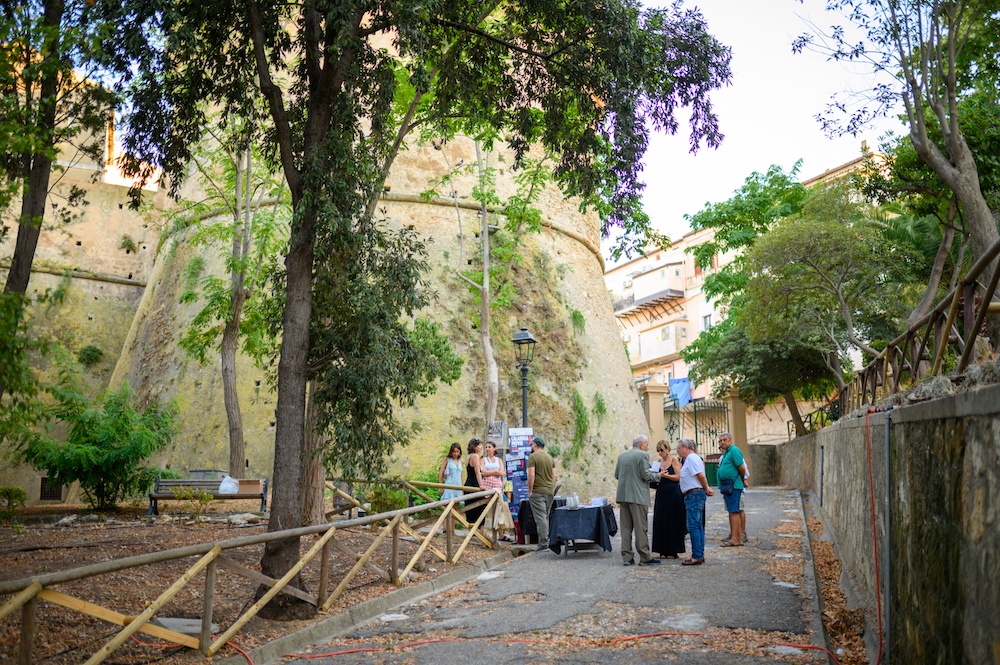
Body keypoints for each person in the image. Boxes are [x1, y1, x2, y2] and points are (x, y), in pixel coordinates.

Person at [614, 434, 662, 566]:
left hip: (623, 496)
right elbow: (646, 475)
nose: (648, 447)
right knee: (641, 528)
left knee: (625, 528)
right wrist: (659, 475)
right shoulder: (642, 455)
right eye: (647, 445)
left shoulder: (622, 456)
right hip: (638, 496)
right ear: (641, 445)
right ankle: (644, 557)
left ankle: (627, 557)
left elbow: (617, 475)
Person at [677, 438, 713, 566]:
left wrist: (706, 487)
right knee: (697, 525)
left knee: (693, 525)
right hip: (694, 494)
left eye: (679, 448)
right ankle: (699, 554)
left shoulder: (691, 458)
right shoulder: (692, 459)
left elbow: (700, 476)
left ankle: (697, 555)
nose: (677, 450)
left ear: (686, 448)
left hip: (693, 494)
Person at [651, 440, 686, 559]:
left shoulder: (674, 460)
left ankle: (673, 549)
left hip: (672, 492)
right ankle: (662, 549)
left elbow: (678, 477)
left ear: (667, 449)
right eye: (658, 451)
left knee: (673, 520)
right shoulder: (657, 462)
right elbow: (653, 478)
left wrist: (666, 476)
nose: (660, 453)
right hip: (661, 493)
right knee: (661, 520)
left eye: (662, 450)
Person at [717, 432, 748, 547]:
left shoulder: (734, 451)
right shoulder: (726, 453)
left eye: (725, 440)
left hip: (733, 485)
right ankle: (737, 538)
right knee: (731, 511)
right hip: (727, 486)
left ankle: (735, 539)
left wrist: (743, 479)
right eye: (720, 441)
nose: (722, 442)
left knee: (734, 512)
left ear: (730, 440)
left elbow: (741, 467)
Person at [526, 435, 556, 551]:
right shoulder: (550, 458)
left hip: (538, 491)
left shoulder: (532, 457)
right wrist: (551, 488)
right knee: (545, 517)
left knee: (540, 518)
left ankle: (543, 543)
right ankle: (546, 540)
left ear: (534, 445)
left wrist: (530, 491)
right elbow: (554, 476)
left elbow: (531, 475)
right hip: (549, 491)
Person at [480, 441, 512, 542]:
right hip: (487, 485)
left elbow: (501, 472)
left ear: (494, 448)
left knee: (499, 508)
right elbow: (483, 472)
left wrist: (490, 472)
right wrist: (495, 472)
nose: (487, 449)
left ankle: (500, 533)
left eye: (489, 447)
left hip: (497, 486)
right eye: (486, 447)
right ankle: (482, 531)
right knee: (485, 507)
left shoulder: (499, 460)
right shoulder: (483, 460)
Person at [464, 438, 485, 525]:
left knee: (470, 508)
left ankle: (471, 529)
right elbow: (477, 472)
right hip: (474, 484)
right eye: (479, 445)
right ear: (474, 446)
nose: (481, 447)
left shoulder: (468, 456)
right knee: (480, 507)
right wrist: (481, 485)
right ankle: (479, 530)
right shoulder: (475, 456)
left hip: (468, 483)